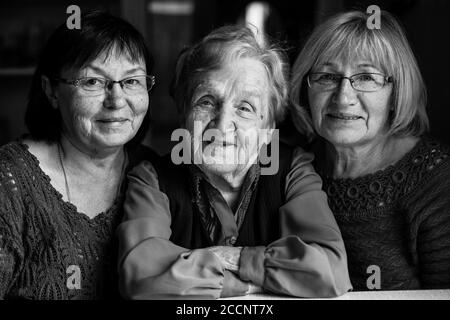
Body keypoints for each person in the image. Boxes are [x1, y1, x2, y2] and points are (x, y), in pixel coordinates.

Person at [117, 25, 352, 299]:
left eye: (245, 108)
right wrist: (251, 283)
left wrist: (233, 258)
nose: (222, 123)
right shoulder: (151, 178)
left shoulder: (293, 169)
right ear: (183, 115)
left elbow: (329, 270)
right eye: (206, 102)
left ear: (268, 128)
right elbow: (140, 279)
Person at [290, 10, 450, 290]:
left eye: (366, 78)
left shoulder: (437, 181)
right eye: (327, 76)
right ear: (307, 88)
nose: (343, 97)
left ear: (395, 93)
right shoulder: (290, 168)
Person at [0, 11, 156, 299]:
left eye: (132, 81)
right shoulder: (10, 179)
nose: (117, 100)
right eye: (93, 82)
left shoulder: (155, 173)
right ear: (52, 91)